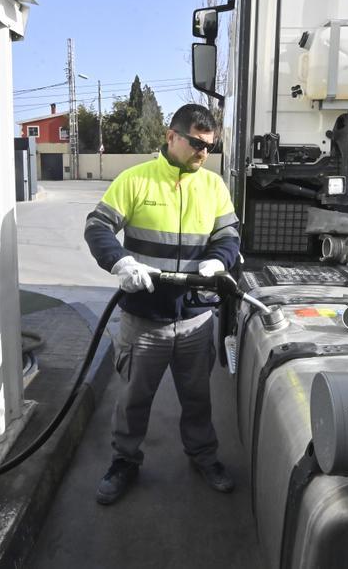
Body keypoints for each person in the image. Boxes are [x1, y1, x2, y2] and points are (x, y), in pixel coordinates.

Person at [83, 103, 240, 505]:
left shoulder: (213, 186)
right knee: (134, 399)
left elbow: (228, 237)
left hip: (195, 318)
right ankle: (125, 462)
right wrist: (120, 261)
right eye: (196, 144)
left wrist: (217, 260)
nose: (203, 153)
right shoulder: (135, 181)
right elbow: (98, 226)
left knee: (197, 398)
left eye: (210, 146)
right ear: (171, 137)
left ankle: (203, 456)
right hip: (144, 318)